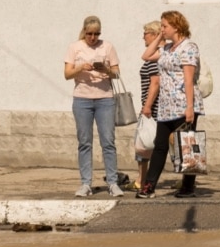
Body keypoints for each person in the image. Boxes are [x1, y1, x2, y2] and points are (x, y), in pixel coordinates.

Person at [137, 11, 203, 199]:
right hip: (166, 107)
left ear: (176, 26)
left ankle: (188, 186)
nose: (162, 29)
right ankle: (149, 186)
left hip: (184, 104)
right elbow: (146, 55)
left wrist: (190, 107)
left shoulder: (188, 47)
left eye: (165, 26)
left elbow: (189, 79)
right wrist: (160, 36)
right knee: (160, 146)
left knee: (187, 146)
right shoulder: (166, 49)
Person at [63, 15, 124, 197]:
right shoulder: (75, 47)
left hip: (105, 98)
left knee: (108, 142)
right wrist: (81, 67)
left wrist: (104, 69)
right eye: (89, 34)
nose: (93, 38)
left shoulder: (107, 46)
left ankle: (113, 182)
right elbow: (67, 74)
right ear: (84, 32)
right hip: (82, 99)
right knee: (84, 142)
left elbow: (116, 74)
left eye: (96, 34)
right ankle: (85, 183)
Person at [134, 20, 162, 189]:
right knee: (145, 144)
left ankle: (142, 180)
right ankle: (141, 179)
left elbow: (155, 83)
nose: (143, 37)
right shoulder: (156, 56)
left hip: (153, 109)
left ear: (153, 34)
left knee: (143, 144)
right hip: (151, 107)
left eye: (145, 33)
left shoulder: (155, 58)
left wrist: (148, 106)